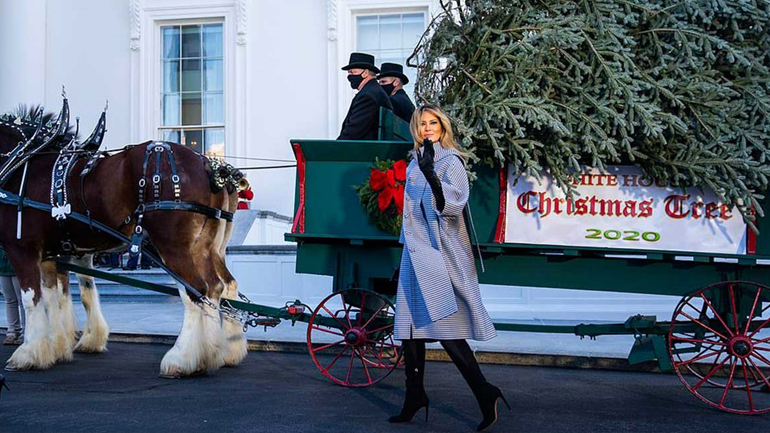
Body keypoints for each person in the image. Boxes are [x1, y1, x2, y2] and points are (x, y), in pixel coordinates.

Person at [390, 104, 508, 431]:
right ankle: (415, 395)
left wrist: (432, 176)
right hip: (415, 255)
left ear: (442, 127)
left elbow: (453, 208)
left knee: (447, 329)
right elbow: (411, 214)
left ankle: (486, 392)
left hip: (439, 255)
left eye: (433, 123)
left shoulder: (450, 161)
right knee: (410, 330)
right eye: (422, 123)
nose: (428, 128)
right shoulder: (416, 162)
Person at [338, 52, 393, 140]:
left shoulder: (367, 96)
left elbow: (354, 131)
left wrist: (333, 148)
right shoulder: (373, 91)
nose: (349, 76)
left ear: (365, 73)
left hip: (366, 150)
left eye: (352, 72)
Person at [0, 247, 24, 345]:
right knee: (9, 300)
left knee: (22, 301)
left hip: (17, 265)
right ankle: (12, 331)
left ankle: (25, 331)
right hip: (3, 266)